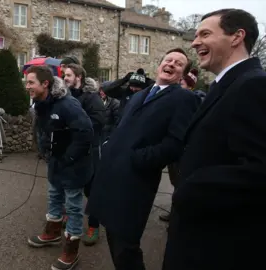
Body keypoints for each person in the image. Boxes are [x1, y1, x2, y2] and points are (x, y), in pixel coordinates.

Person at [162, 9, 266, 270]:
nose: (195, 42)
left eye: (205, 34)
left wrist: (190, 187)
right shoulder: (226, 84)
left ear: (237, 37)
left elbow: (259, 168)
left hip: (216, 242)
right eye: (195, 35)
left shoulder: (253, 85)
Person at [87, 48, 200, 270]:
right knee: (112, 235)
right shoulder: (140, 94)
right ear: (159, 65)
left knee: (126, 245)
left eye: (178, 63)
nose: (171, 64)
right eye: (168, 60)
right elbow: (123, 126)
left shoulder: (184, 98)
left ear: (182, 74)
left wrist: (138, 159)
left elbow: (175, 144)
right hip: (110, 174)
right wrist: (110, 147)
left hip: (136, 180)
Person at [26, 65, 93, 270]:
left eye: (31, 83)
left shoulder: (67, 105)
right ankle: (52, 233)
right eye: (26, 82)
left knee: (73, 207)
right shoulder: (41, 103)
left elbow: (86, 132)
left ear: (45, 84)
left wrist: (69, 157)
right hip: (56, 161)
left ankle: (71, 251)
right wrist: (45, 151)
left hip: (74, 164)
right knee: (54, 196)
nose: (27, 86)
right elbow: (44, 130)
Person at [63, 63, 107, 246]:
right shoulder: (65, 96)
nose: (65, 78)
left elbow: (99, 121)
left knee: (92, 190)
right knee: (71, 187)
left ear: (78, 77)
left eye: (68, 75)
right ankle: (72, 219)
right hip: (72, 150)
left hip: (90, 151)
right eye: (64, 75)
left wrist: (73, 125)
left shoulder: (92, 98)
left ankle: (94, 226)